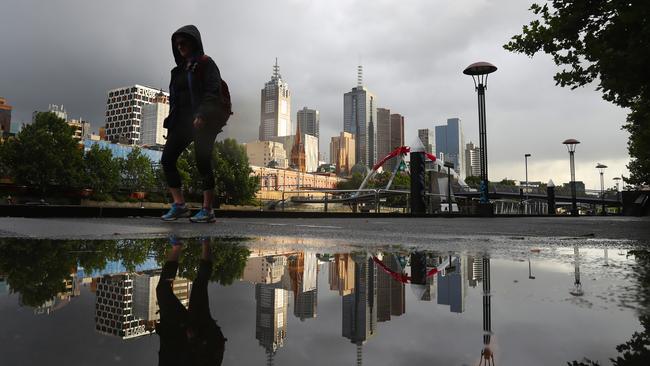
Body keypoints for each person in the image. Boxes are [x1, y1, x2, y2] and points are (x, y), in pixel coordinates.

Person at [161, 25, 229, 223]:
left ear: (194, 42)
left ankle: (207, 210)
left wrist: (202, 114)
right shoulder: (178, 71)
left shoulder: (206, 64)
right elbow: (176, 100)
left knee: (202, 161)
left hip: (204, 120)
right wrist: (171, 124)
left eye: (184, 43)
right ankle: (179, 205)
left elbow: (212, 90)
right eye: (177, 44)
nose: (180, 47)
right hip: (181, 122)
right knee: (167, 159)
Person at [156, 237, 226, 366]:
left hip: (177, 335)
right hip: (205, 335)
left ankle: (177, 246)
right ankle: (206, 242)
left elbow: (166, 350)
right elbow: (207, 356)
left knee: (162, 290)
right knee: (199, 284)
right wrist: (194, 339)